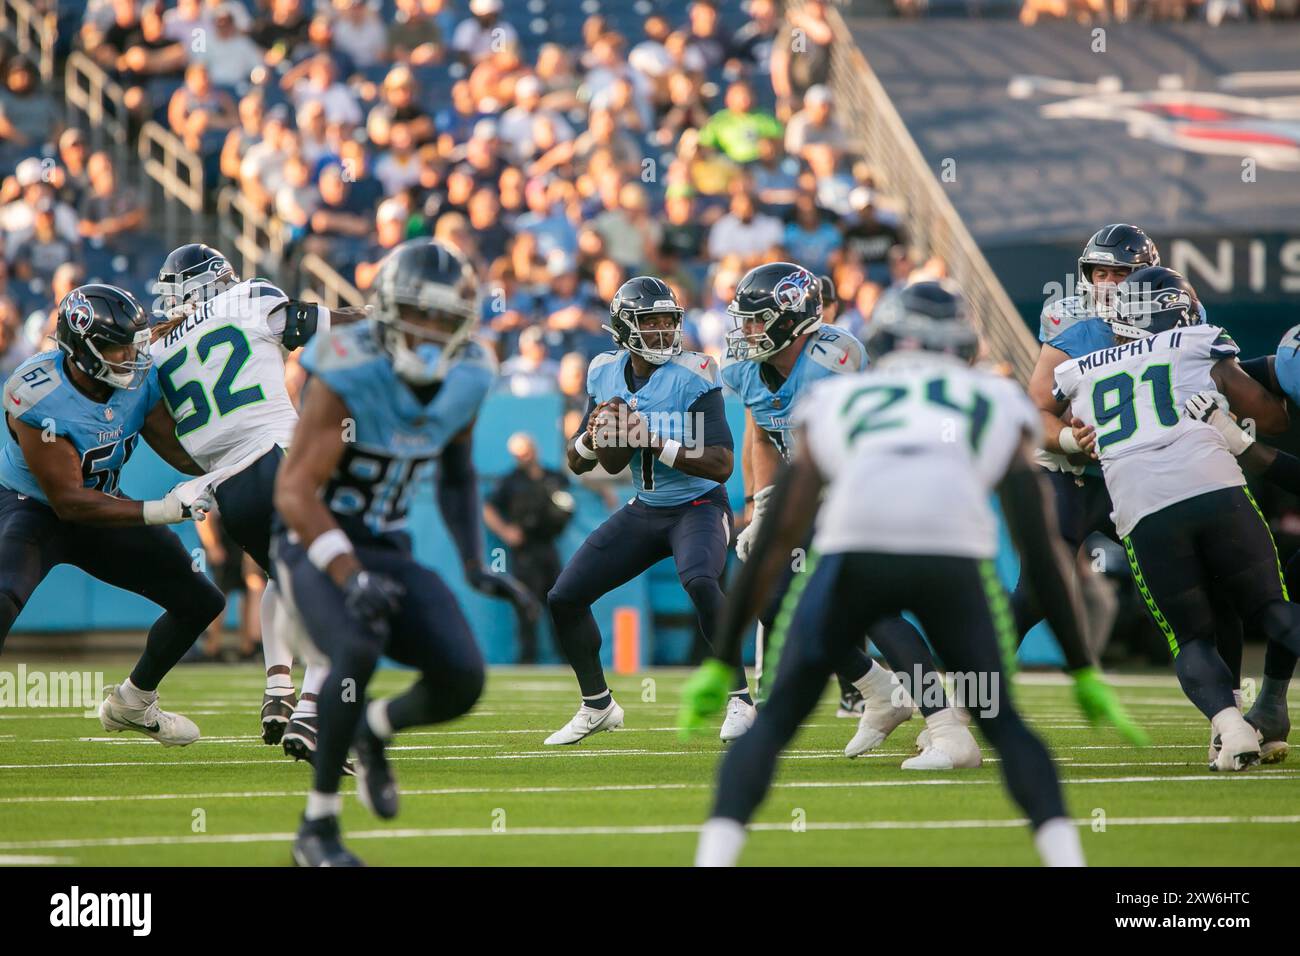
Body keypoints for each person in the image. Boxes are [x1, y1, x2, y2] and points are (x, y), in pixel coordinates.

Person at [681, 280, 1143, 866]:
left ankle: (715, 858)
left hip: (857, 551)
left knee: (773, 726)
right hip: (952, 562)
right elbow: (1043, 544)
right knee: (1007, 726)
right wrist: (1081, 666)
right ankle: (1064, 855)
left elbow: (772, 544)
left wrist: (722, 659)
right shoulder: (992, 400)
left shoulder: (842, 400)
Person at [274, 239, 495, 866]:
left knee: (463, 678)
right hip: (311, 538)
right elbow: (293, 490)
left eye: (446, 319)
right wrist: (347, 572)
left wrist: (476, 561)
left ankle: (373, 730)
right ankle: (316, 829)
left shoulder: (471, 373)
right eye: (419, 315)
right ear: (388, 311)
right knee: (358, 642)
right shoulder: (348, 365)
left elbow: (456, 472)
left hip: (387, 545)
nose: (431, 332)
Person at [1050, 267, 1297, 771]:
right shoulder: (1196, 341)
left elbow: (1046, 421)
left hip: (1145, 509)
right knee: (1271, 607)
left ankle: (1230, 729)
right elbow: (1272, 417)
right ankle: (1248, 722)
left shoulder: (1080, 369)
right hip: (1214, 485)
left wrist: (1069, 439)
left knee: (1190, 637)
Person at [0, 284, 225, 744]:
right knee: (3, 596)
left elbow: (181, 453)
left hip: (102, 507)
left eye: (132, 343)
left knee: (202, 601)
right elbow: (67, 500)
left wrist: (231, 467)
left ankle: (132, 703)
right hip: (33, 512)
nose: (131, 355)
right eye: (118, 346)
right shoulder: (37, 395)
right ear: (82, 350)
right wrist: (162, 509)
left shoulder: (138, 381)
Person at [546, 276, 748, 744]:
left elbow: (720, 464)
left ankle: (740, 698)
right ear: (622, 328)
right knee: (564, 597)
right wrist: (594, 435)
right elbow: (577, 462)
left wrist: (653, 441)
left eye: (667, 321)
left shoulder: (695, 372)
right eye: (649, 322)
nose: (661, 331)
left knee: (700, 579)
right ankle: (598, 705)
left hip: (698, 503)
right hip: (646, 508)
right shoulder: (603, 372)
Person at [483, 432, 572, 663]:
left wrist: (603, 490)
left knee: (558, 602)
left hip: (548, 546)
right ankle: (527, 660)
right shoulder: (511, 481)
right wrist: (505, 531)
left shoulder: (552, 476)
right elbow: (488, 508)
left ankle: (567, 658)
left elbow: (578, 481)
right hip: (524, 551)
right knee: (526, 605)